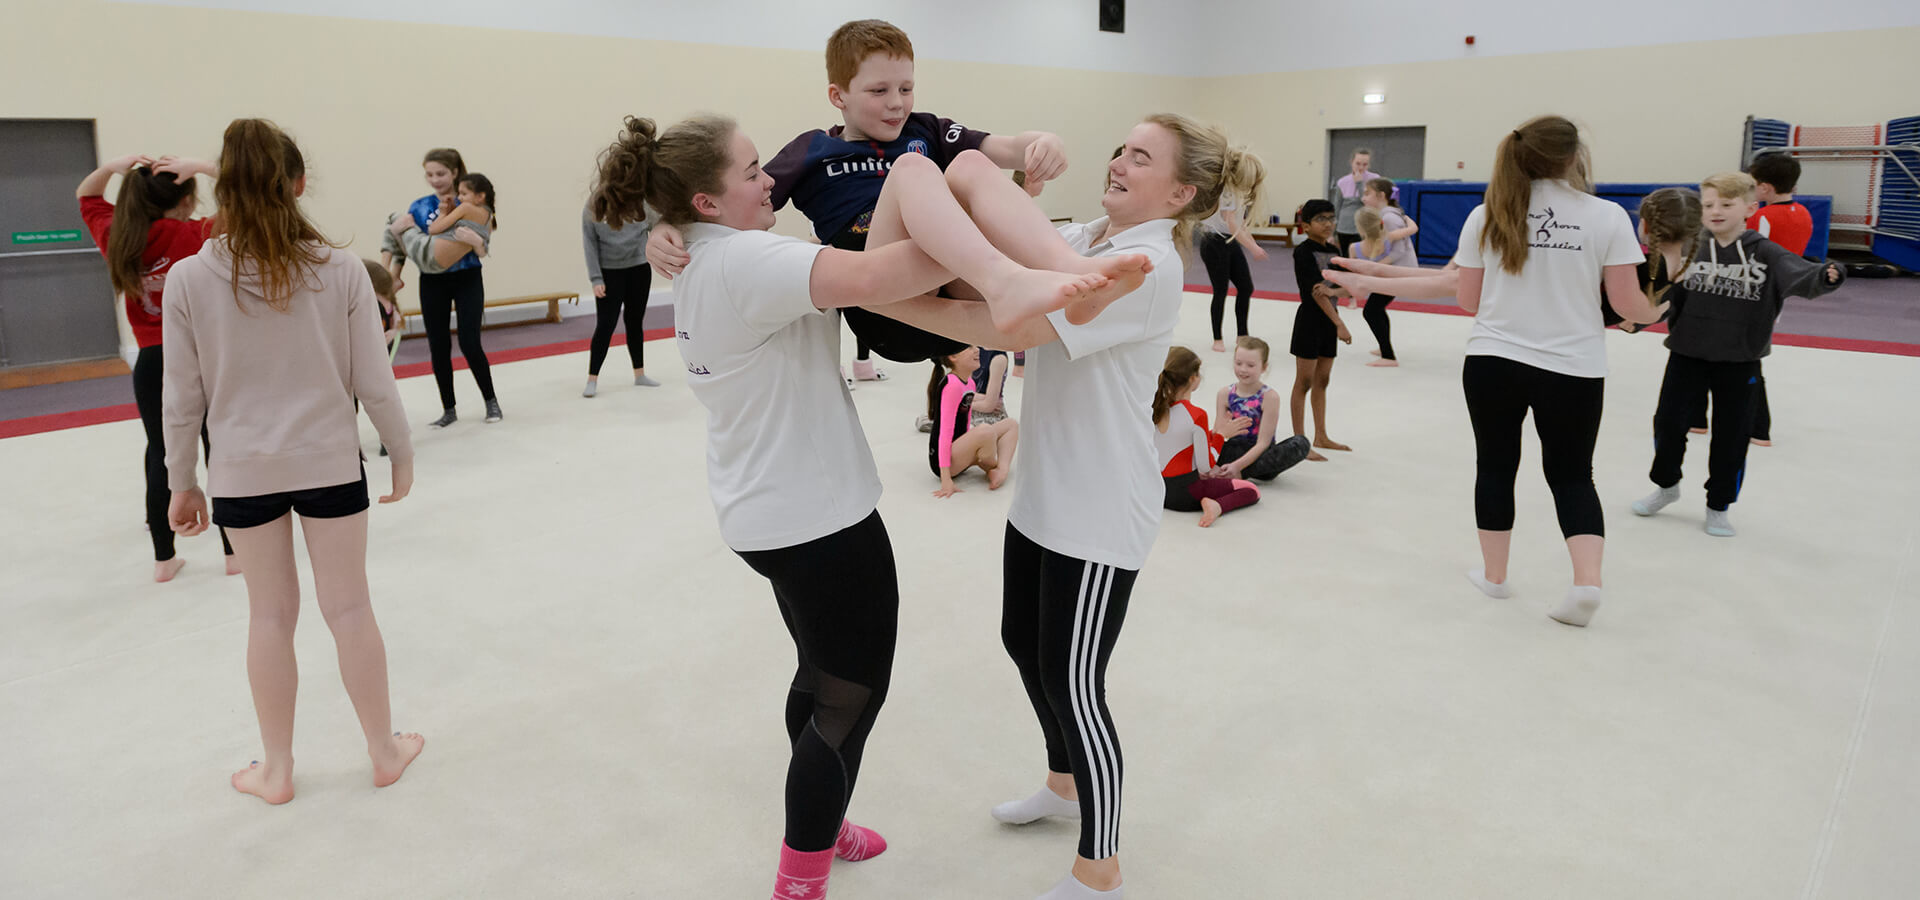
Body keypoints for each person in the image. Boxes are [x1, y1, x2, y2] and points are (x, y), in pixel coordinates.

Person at [595, 113, 1146, 900]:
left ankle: (824, 823)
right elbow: (885, 280)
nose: (768, 183)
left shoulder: (713, 259)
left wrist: (961, 203)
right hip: (817, 522)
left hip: (763, 510)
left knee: (820, 676)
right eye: (751, 172)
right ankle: (802, 876)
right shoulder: (750, 259)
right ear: (706, 204)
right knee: (848, 698)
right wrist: (991, 240)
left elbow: (891, 264)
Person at [869, 112, 1254, 900]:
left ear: (1180, 191)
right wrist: (888, 286)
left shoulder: (1148, 267)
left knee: (1078, 684)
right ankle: (1062, 782)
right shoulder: (1085, 242)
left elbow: (1004, 322)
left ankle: (1100, 867)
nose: (1117, 161)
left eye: (1140, 158)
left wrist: (890, 304)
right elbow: (975, 204)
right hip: (1046, 493)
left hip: (1100, 509)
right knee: (1025, 645)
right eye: (1120, 147)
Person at [161, 118, 423, 805]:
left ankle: (276, 770)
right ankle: (383, 750)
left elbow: (181, 400)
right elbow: (375, 379)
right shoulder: (338, 270)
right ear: (299, 183)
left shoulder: (189, 279)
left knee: (269, 616)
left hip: (243, 472)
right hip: (331, 464)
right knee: (350, 608)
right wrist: (400, 450)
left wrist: (181, 481)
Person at [644, 20, 1076, 367]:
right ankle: (1005, 281)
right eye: (879, 91)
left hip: (948, 294)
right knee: (912, 170)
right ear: (839, 96)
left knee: (969, 164)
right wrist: (666, 225)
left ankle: (1071, 267)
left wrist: (1042, 143)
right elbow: (733, 200)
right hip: (880, 302)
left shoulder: (927, 129)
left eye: (906, 89)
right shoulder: (813, 150)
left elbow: (1005, 147)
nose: (897, 104)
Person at [1447, 115, 1663, 627]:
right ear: (1574, 157)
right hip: (1573, 366)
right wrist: (1660, 310)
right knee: (1572, 476)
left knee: (1496, 467)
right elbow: (1629, 305)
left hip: (1493, 360)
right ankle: (1586, 584)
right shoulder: (1608, 216)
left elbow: (1468, 300)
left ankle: (1494, 577)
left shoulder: (1487, 215)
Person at [1629, 171, 1844, 538]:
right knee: (1667, 425)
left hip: (1740, 361)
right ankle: (1666, 486)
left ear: (1749, 208)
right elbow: (1660, 285)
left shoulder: (1766, 253)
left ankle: (1718, 505)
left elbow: (1804, 276)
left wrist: (1828, 275)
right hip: (1686, 354)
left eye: (1726, 205)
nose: (1715, 211)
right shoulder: (1691, 246)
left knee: (1731, 436)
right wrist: (1635, 316)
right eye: (1708, 204)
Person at [76, 152, 238, 582]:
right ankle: (234, 552)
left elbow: (86, 193)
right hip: (199, 355)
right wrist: (205, 166)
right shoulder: (195, 233)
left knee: (161, 452)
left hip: (151, 360)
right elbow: (245, 202)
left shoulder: (119, 235)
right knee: (216, 446)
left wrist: (115, 165)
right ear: (185, 200)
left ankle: (164, 559)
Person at [1688, 153, 1812, 444]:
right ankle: (1745, 425)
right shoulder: (1803, 213)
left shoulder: (1763, 217)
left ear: (1764, 189)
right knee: (1741, 355)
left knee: (1720, 353)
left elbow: (1744, 252)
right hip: (1777, 292)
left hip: (1748, 295)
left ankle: (1741, 423)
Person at [385, 148, 500, 428]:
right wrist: (393, 276)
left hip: (467, 277)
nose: (435, 180)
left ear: (455, 173)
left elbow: (483, 243)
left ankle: (491, 402)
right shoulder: (420, 205)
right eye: (429, 175)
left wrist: (475, 242)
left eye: (441, 174)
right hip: (433, 280)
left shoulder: (471, 202)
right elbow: (405, 246)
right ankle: (448, 409)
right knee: (438, 345)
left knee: (470, 341)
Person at [1155, 346, 1260, 527]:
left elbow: (1176, 444)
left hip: (1158, 491)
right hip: (1185, 495)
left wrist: (1213, 434)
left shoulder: (1156, 408)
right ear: (1193, 379)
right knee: (1251, 490)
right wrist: (1221, 436)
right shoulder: (1197, 415)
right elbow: (1206, 466)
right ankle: (1217, 506)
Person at [1288, 199, 1353, 460]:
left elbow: (1348, 287)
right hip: (1311, 322)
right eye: (1321, 219)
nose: (1328, 224)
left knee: (1322, 381)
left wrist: (1334, 290)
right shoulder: (1303, 252)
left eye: (1331, 218)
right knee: (1303, 382)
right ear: (1306, 225)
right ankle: (1300, 443)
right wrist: (1340, 323)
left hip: (1329, 321)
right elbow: (1315, 293)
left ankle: (1321, 435)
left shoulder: (1335, 250)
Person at [581, 194, 659, 397]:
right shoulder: (594, 205)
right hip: (609, 272)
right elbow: (589, 242)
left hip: (639, 269)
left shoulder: (641, 201)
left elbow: (657, 224)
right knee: (605, 325)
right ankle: (592, 377)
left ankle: (639, 373)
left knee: (634, 322)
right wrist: (596, 278)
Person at [1195, 151, 1268, 351]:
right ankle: (1217, 338)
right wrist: (1253, 247)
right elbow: (1231, 223)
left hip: (1229, 240)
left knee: (1246, 287)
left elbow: (1241, 225)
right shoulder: (1226, 191)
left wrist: (1253, 243)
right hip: (1214, 241)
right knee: (1221, 291)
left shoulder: (1239, 193)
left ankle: (1242, 334)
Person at [927, 345, 1020, 497]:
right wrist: (946, 478)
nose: (976, 350)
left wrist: (973, 445)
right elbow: (944, 433)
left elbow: (966, 420)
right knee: (985, 430)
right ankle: (988, 464)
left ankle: (1000, 471)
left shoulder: (969, 383)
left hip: (960, 452)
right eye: (969, 348)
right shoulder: (951, 385)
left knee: (1011, 424)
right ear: (953, 357)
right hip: (943, 462)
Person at [1213, 337, 1311, 480]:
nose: (1243, 369)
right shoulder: (1224, 394)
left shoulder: (1270, 397)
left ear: (1264, 367)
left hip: (1260, 456)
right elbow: (1217, 434)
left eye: (1250, 365)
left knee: (1301, 443)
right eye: (1238, 363)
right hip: (1231, 451)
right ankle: (1231, 470)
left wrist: (1237, 467)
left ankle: (1242, 473)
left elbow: (1263, 443)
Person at [1354, 177, 1418, 366]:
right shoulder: (1389, 214)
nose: (1363, 198)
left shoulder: (1389, 217)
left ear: (1381, 195)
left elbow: (1399, 250)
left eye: (1367, 193)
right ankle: (1385, 348)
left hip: (1398, 271)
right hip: (1394, 270)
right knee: (1375, 309)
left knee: (1371, 310)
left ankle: (1388, 356)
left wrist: (1376, 268)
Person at [383, 173, 494, 275]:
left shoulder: (466, 207)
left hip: (428, 253)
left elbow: (433, 229)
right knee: (398, 231)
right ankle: (394, 277)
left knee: (394, 219)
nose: (459, 198)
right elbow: (482, 251)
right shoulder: (489, 219)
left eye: (464, 194)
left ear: (480, 197)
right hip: (440, 266)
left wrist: (443, 213)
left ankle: (386, 270)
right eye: (459, 193)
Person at [1330, 147, 1385, 254]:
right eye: (1358, 163)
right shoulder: (1342, 181)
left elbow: (1367, 201)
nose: (1361, 167)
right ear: (1352, 163)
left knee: (1360, 256)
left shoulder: (1375, 179)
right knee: (1346, 256)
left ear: (1369, 165)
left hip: (1363, 227)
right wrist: (1333, 232)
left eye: (1365, 164)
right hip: (1344, 227)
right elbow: (1337, 207)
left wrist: (1359, 183)